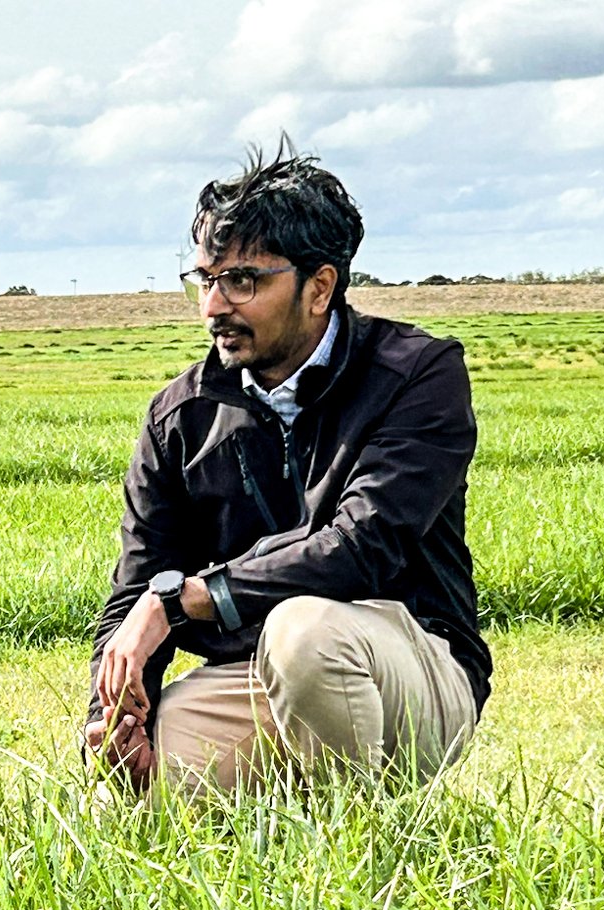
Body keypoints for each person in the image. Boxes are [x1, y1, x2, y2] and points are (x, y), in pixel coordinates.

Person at [83, 142, 491, 795]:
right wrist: (109, 726)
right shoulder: (178, 415)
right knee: (143, 792)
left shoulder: (415, 375)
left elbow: (361, 546)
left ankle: (364, 862)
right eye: (204, 279)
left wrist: (192, 596)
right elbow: (137, 587)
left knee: (304, 631)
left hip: (409, 667)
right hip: (249, 676)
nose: (214, 306)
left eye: (242, 280)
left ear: (318, 287)